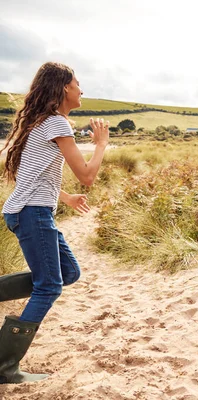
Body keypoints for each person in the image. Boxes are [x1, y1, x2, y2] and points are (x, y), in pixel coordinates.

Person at [0, 62, 110, 383]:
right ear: (64, 88)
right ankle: (5, 367)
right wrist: (101, 144)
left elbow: (32, 176)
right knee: (49, 286)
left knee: (68, 273)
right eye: (78, 83)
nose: (81, 90)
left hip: (29, 210)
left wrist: (67, 198)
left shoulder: (40, 123)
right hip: (32, 213)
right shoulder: (57, 125)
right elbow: (87, 176)